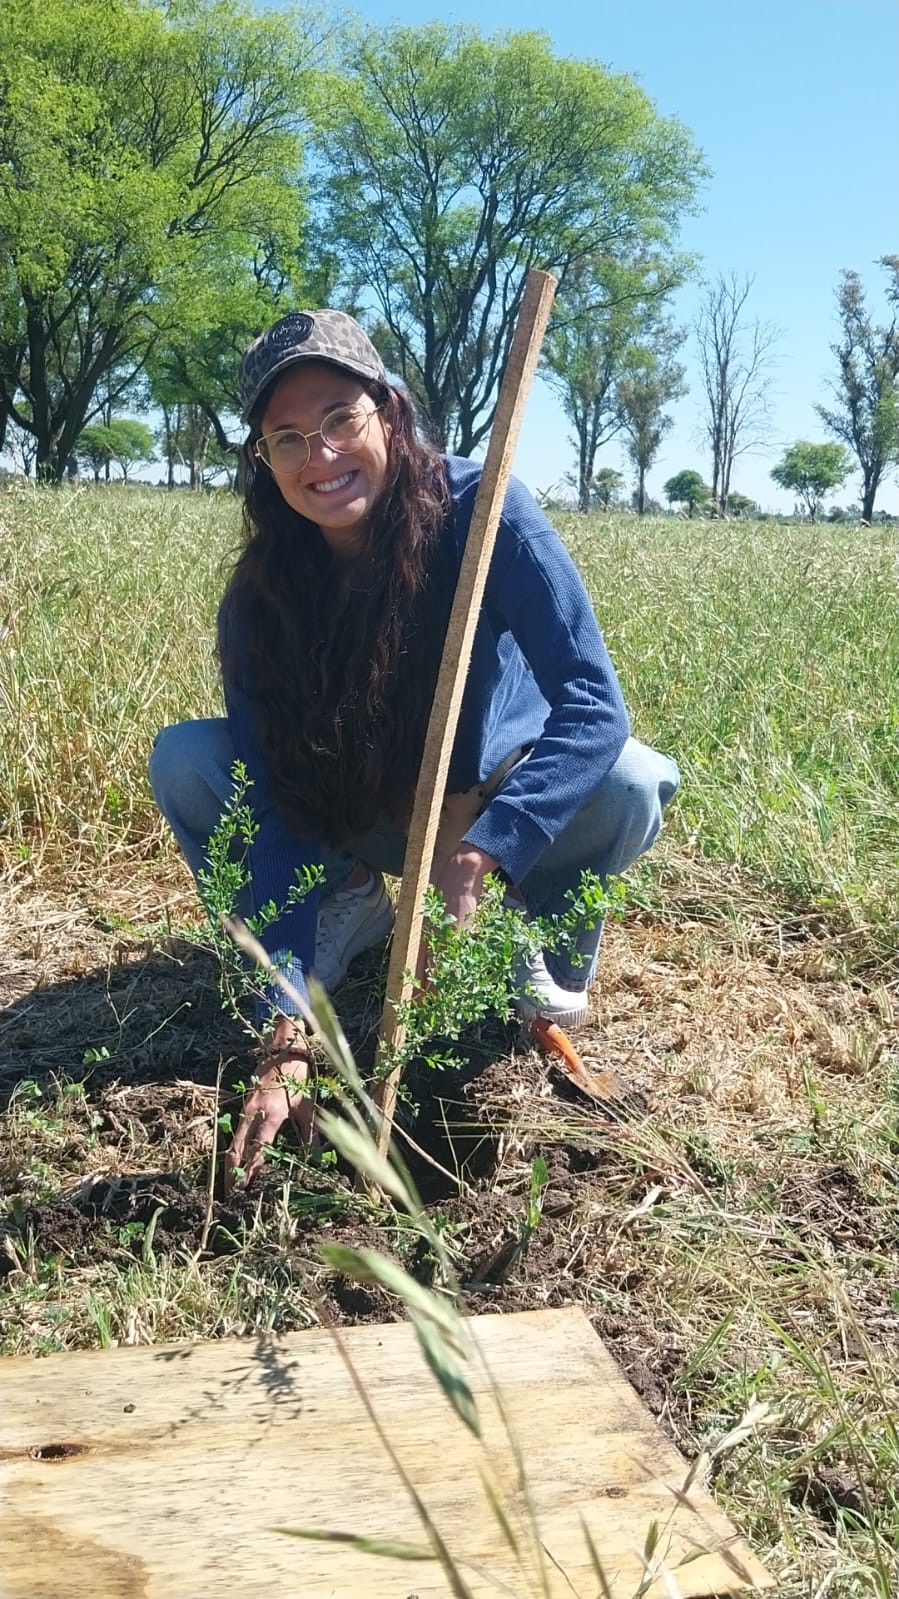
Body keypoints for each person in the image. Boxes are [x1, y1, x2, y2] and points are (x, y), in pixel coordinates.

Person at [149, 309, 679, 1187]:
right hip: (351, 812)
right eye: (286, 437)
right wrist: (287, 1024)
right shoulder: (259, 598)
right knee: (189, 760)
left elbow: (593, 706)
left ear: (386, 412)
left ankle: (517, 951)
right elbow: (273, 798)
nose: (318, 456)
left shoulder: (484, 510)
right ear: (261, 462)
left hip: (487, 806)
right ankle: (350, 902)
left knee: (630, 779)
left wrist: (490, 849)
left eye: (337, 419)